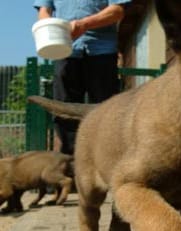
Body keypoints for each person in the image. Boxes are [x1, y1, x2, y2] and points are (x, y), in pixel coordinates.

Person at [33, 0, 131, 155]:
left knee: (106, 108)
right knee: (64, 107)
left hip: (102, 50)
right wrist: (50, 28)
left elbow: (117, 11)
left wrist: (84, 24)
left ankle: (104, 159)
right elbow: (44, 11)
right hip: (65, 49)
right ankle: (70, 161)